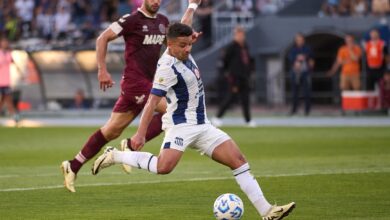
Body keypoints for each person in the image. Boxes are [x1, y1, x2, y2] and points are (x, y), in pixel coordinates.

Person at [92, 22, 295, 220]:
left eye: (190, 44)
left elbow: (183, 27)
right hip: (180, 126)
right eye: (183, 45)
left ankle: (268, 212)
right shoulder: (166, 68)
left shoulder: (181, 47)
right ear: (169, 45)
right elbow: (152, 102)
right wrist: (140, 134)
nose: (188, 49)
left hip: (203, 125)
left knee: (239, 161)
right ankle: (116, 156)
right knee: (164, 167)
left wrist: (191, 6)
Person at [61, 0, 201, 193]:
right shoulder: (131, 20)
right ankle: (130, 146)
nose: (156, 1)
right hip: (135, 83)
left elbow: (175, 40)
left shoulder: (162, 21)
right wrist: (102, 70)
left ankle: (73, 165)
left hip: (147, 83)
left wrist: (191, 17)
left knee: (111, 131)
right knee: (173, 110)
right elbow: (102, 38)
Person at [211, 26, 256, 127]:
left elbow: (248, 60)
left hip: (245, 77)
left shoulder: (245, 46)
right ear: (235, 35)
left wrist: (250, 69)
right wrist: (228, 73)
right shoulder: (231, 47)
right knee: (230, 98)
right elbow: (225, 61)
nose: (240, 36)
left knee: (246, 99)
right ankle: (217, 117)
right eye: (238, 34)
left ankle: (248, 120)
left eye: (242, 34)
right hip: (235, 77)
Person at [287, 33, 314, 116]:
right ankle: (294, 110)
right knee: (295, 92)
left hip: (305, 73)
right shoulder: (293, 49)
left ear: (303, 40)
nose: (299, 41)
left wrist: (310, 66)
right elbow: (290, 59)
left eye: (300, 39)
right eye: (297, 39)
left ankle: (307, 111)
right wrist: (296, 61)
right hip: (295, 73)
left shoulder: (307, 48)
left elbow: (311, 59)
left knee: (307, 92)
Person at [0, 38, 20, 124]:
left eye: (6, 42)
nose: (5, 44)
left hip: (6, 81)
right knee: (4, 99)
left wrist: (20, 72)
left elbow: (14, 63)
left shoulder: (9, 53)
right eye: (3, 42)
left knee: (7, 99)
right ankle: (14, 115)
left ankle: (14, 115)